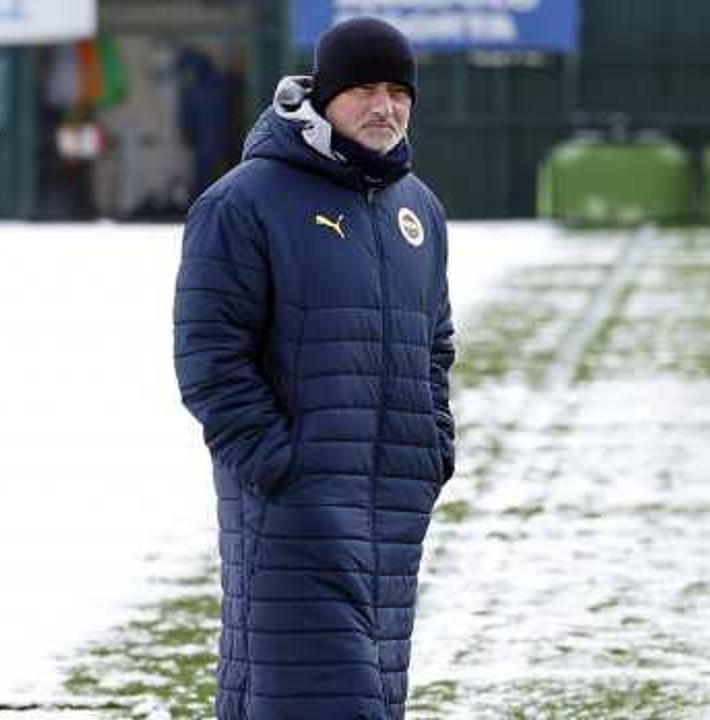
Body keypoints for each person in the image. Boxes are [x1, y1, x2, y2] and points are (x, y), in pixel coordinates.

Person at [172, 17, 455, 720]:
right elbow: (209, 356)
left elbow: (437, 344)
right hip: (295, 506)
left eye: (398, 90)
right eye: (364, 88)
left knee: (362, 694)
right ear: (323, 95)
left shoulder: (418, 209)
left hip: (392, 508)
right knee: (319, 696)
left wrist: (432, 451)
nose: (384, 105)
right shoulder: (243, 201)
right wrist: (278, 465)